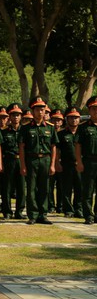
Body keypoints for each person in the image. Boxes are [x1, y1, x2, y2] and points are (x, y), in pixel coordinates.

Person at [19, 96, 58, 225]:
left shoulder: (50, 128)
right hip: (31, 160)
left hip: (45, 160)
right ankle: (33, 215)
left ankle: (43, 214)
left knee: (45, 188)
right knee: (31, 188)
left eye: (43, 109)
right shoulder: (25, 128)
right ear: (33, 110)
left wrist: (53, 164)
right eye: (38, 109)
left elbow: (53, 147)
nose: (40, 112)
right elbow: (22, 147)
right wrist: (23, 165)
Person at [75, 96, 97, 224]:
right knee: (87, 190)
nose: (96, 111)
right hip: (88, 161)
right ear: (89, 111)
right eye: (93, 109)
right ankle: (88, 215)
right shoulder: (83, 127)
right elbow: (78, 146)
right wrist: (79, 162)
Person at [58, 107, 82, 219]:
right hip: (67, 165)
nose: (74, 120)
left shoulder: (83, 132)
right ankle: (68, 210)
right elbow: (57, 150)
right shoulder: (61, 134)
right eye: (71, 117)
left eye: (76, 117)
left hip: (80, 164)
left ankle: (79, 209)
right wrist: (57, 163)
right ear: (67, 119)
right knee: (66, 188)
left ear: (79, 119)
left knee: (80, 188)